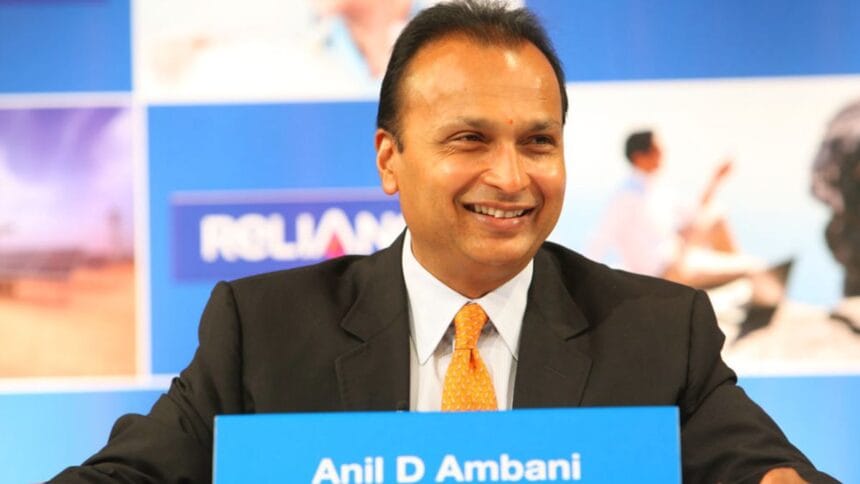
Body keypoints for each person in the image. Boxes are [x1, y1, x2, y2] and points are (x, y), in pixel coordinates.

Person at [52, 1, 833, 482]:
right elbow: (133, 474)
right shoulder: (263, 331)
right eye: (469, 139)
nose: (512, 176)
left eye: (538, 142)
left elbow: (766, 470)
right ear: (389, 158)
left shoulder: (658, 331)